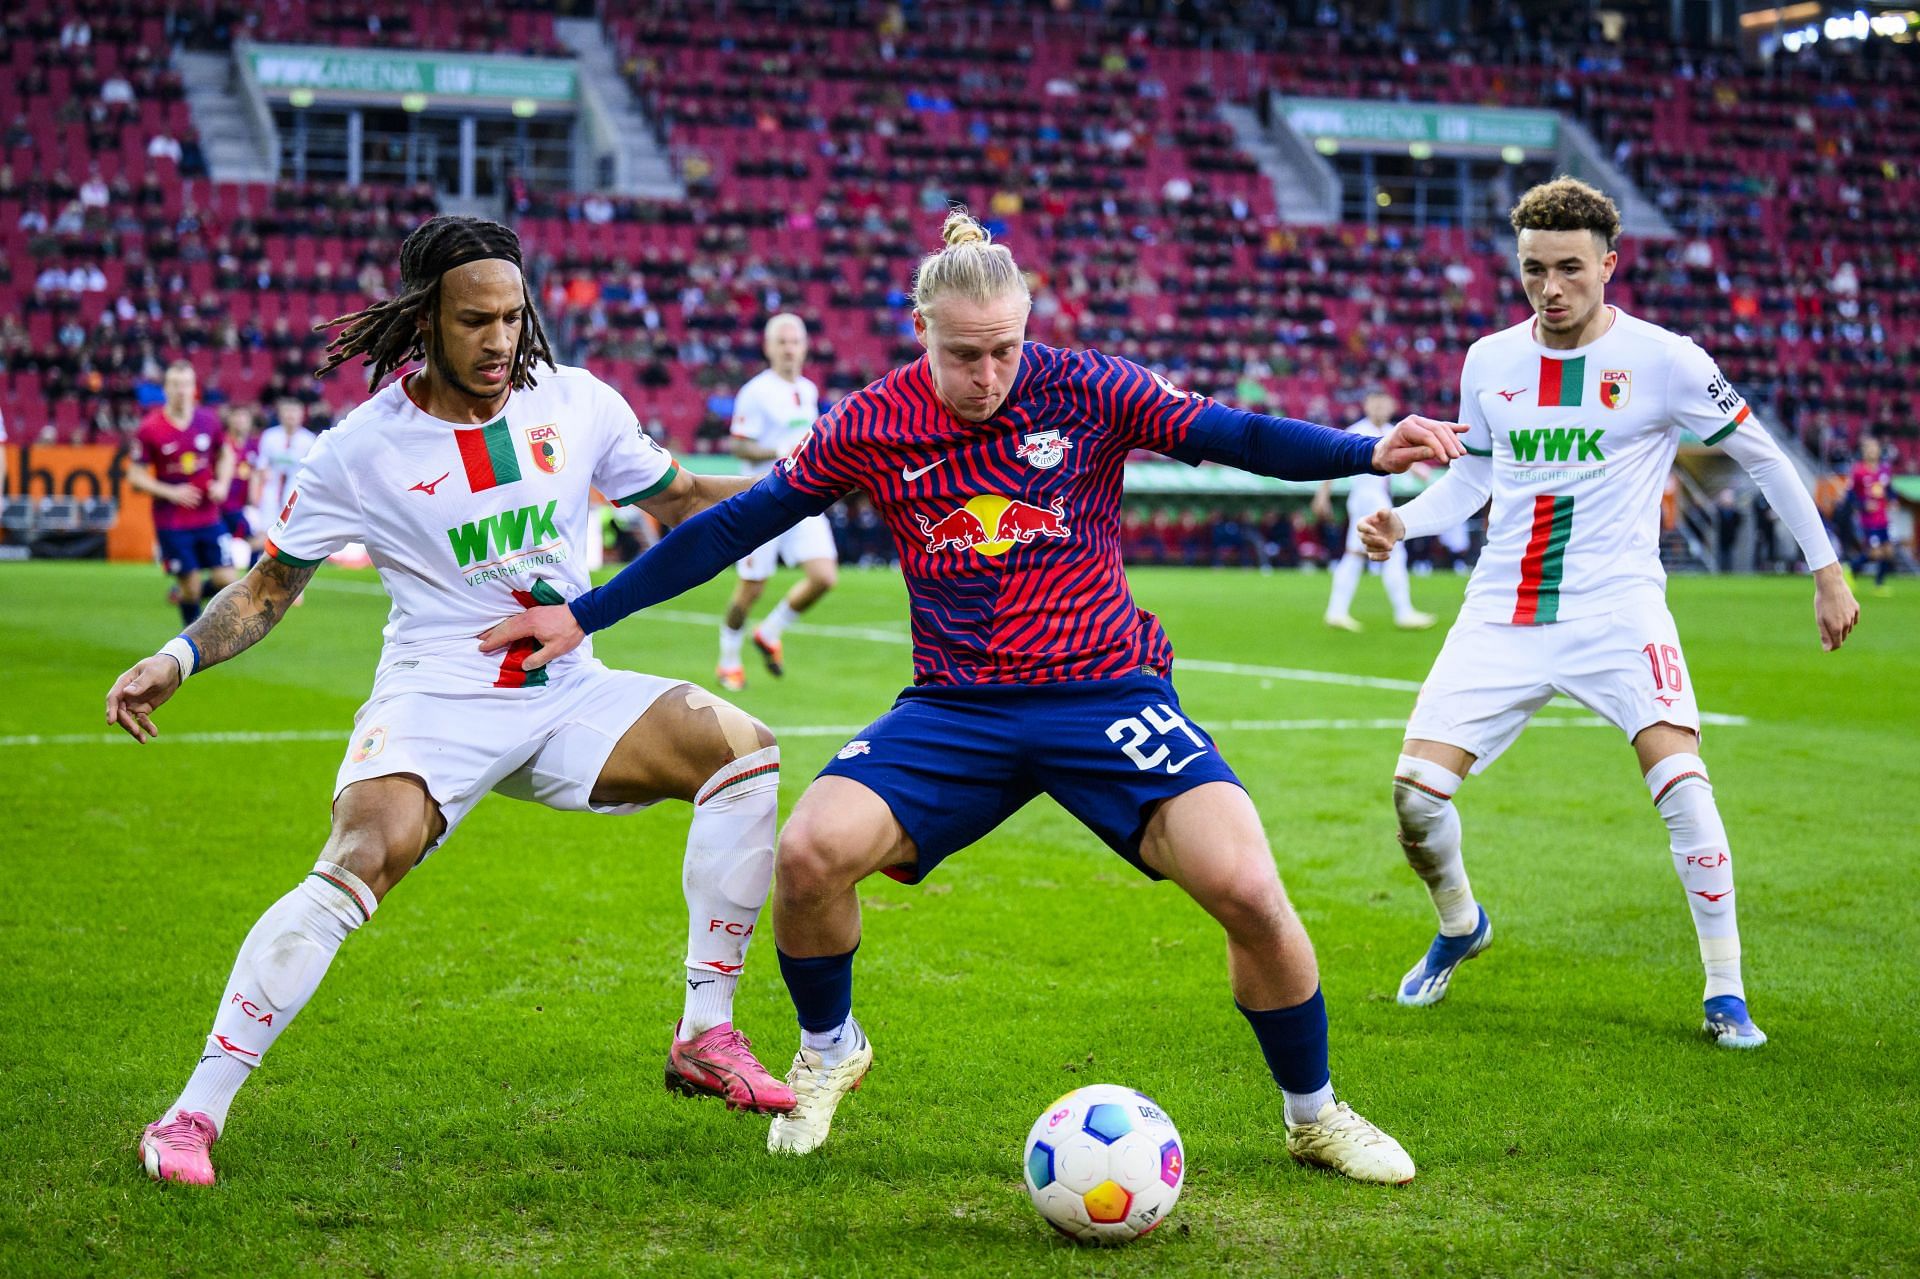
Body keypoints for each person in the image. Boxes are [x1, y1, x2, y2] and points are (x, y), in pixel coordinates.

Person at [481, 209, 1468, 1184]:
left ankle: (1315, 1115)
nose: (988, 375)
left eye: (1005, 351)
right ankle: (829, 1047)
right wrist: (586, 611)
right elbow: (734, 525)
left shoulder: (1091, 386)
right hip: (957, 710)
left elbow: (1233, 432)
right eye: (965, 355)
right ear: (923, 335)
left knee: (1249, 887)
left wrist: (1365, 450)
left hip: (1107, 691)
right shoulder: (869, 420)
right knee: (810, 853)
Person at [107, 216, 797, 1188]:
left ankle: (705, 1033)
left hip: (565, 687)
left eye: (514, 317)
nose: (500, 340)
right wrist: (178, 656)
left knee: (745, 752)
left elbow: (682, 499)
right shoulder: (361, 451)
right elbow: (267, 587)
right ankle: (190, 1115)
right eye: (476, 319)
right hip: (439, 695)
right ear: (422, 318)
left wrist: (812, 481)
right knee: (358, 858)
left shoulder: (575, 402)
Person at [1357, 178, 1859, 1049]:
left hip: (1620, 612)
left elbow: (1765, 459)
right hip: (1502, 613)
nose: (1550, 288)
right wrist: (1405, 520)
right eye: (1533, 270)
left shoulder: (1666, 360)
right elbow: (1476, 476)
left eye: (1569, 269)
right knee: (1414, 797)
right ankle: (1460, 923)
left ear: (1609, 265)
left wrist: (1829, 572)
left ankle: (1726, 990)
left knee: (1683, 783)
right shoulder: (1491, 360)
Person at [716, 313, 837, 691]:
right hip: (763, 498)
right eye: (781, 341)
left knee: (824, 576)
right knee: (752, 588)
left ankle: (769, 633)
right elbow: (737, 443)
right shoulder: (756, 391)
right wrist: (776, 449)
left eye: (795, 341)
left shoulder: (808, 389)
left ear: (805, 346)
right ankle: (728, 660)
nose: (789, 348)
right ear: (768, 347)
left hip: (805, 497)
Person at [1312, 389, 1436, 631]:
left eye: (1383, 405)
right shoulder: (1356, 430)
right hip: (1368, 497)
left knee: (1354, 555)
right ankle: (1404, 612)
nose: (1379, 409)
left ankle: (1336, 611)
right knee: (1395, 549)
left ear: (1391, 406)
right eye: (1374, 404)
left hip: (1374, 497)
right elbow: (1332, 462)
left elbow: (1396, 456)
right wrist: (1322, 495)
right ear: (1366, 406)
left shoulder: (1392, 430)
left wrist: (1416, 467)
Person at [128, 361, 235, 625]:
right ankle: (190, 644)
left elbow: (226, 455)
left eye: (186, 384)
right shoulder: (150, 428)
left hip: (208, 516)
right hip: (172, 521)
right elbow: (134, 476)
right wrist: (171, 492)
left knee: (228, 581)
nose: (181, 391)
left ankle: (198, 614)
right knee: (191, 588)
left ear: (194, 388)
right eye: (175, 385)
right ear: (165, 389)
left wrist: (222, 483)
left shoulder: (208, 420)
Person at [214, 404, 263, 570]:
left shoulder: (252, 446)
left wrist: (254, 496)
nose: (240, 421)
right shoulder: (222, 443)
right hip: (220, 506)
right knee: (256, 542)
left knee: (256, 542)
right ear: (230, 420)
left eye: (244, 417)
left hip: (238, 507)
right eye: (237, 416)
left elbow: (254, 472)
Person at [1848, 436, 1895, 594]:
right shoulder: (1859, 471)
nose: (1872, 451)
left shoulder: (1884, 470)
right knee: (1875, 553)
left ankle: (1879, 585)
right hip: (1868, 520)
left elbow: (1889, 489)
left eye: (1874, 448)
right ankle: (1851, 570)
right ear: (1864, 451)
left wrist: (1894, 500)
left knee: (1888, 552)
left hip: (1882, 518)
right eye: (1869, 448)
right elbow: (1851, 495)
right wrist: (1863, 505)